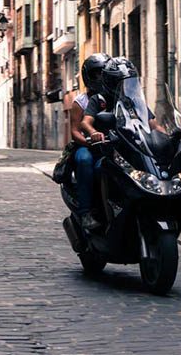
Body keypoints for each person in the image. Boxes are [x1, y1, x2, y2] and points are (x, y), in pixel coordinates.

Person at [69, 52, 110, 231]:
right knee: (85, 161)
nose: (100, 77)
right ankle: (86, 212)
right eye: (96, 74)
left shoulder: (116, 96)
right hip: (88, 146)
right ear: (89, 76)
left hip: (112, 146)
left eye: (104, 73)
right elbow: (75, 131)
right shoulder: (81, 101)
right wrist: (89, 141)